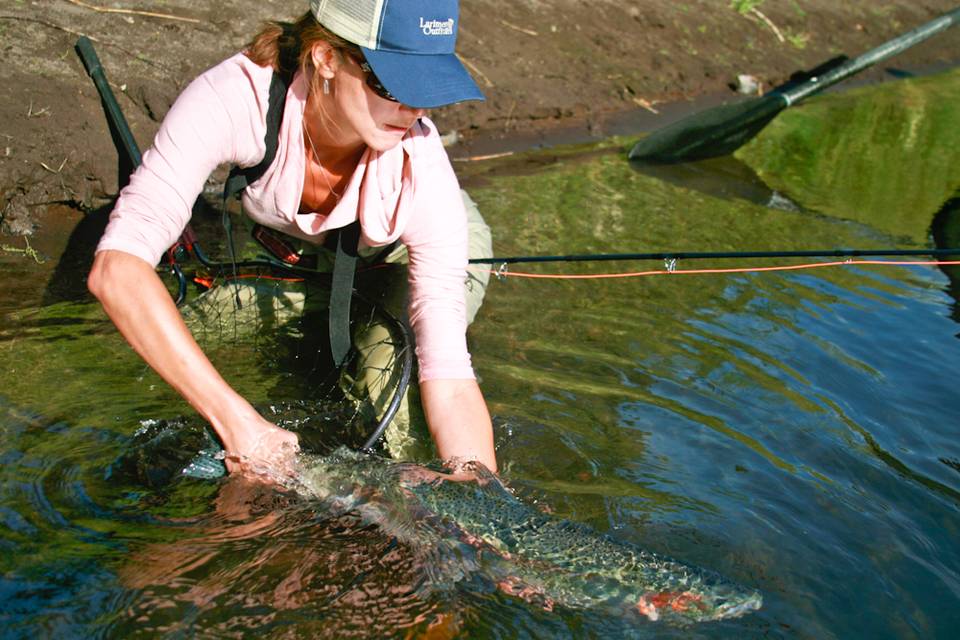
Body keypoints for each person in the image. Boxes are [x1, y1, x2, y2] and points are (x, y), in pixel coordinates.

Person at [87, 0, 497, 475]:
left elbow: (448, 373)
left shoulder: (421, 168)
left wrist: (477, 487)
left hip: (400, 253)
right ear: (326, 57)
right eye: (394, 85)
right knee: (145, 340)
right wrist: (239, 422)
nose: (414, 109)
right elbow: (116, 271)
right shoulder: (236, 98)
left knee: (391, 378)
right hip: (310, 256)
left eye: (428, 89)